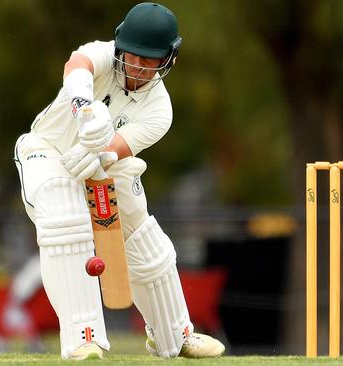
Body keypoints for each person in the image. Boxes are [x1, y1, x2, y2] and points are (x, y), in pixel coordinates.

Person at [13, 3, 224, 360]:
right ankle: (84, 337)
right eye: (133, 54)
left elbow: (118, 148)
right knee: (65, 217)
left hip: (104, 162)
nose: (137, 65)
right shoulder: (101, 54)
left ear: (167, 60)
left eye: (149, 59)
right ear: (119, 44)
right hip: (47, 151)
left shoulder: (159, 110)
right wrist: (84, 108)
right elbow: (76, 65)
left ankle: (175, 335)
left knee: (143, 237)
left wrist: (101, 152)